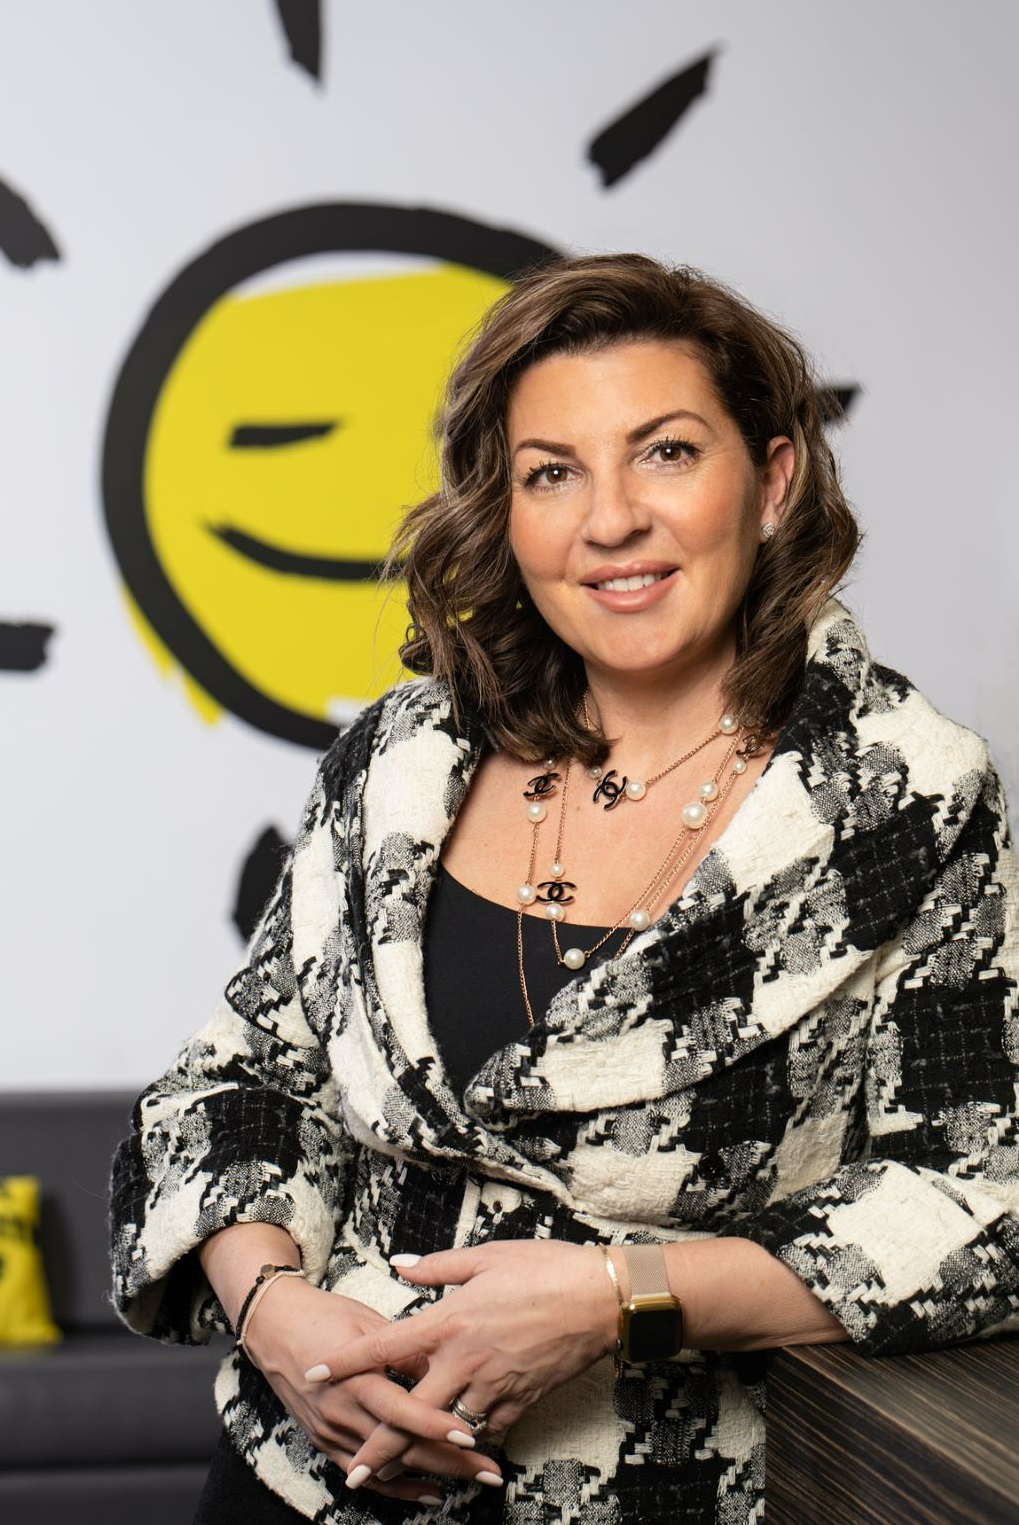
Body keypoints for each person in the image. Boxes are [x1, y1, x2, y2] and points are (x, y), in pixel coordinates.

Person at [109, 253, 1019, 1524]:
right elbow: (246, 1076)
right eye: (552, 472)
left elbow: (980, 1198)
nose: (608, 521)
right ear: (505, 508)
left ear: (769, 480)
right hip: (298, 1477)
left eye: (663, 453)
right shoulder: (403, 756)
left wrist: (622, 1297)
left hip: (653, 1490)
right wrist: (275, 1314)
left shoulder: (900, 799)